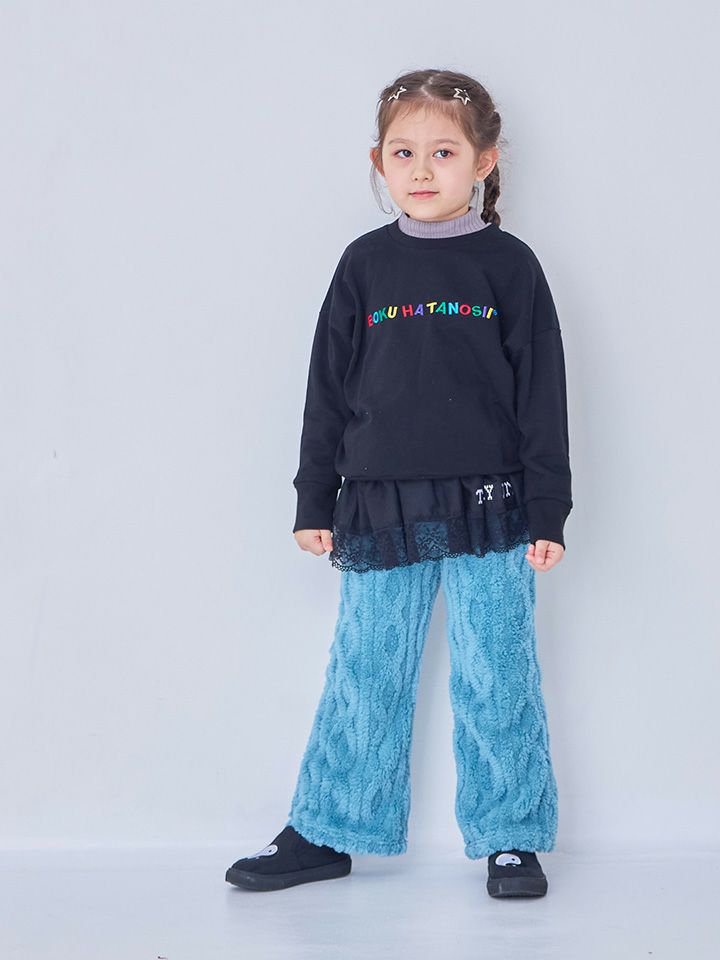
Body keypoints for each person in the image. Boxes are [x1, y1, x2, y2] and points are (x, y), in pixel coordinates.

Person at [225, 68, 572, 900]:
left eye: (443, 152)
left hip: (492, 508)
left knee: (498, 669)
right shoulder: (364, 265)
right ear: (379, 161)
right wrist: (314, 498)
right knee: (367, 666)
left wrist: (548, 509)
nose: (421, 169)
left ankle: (511, 836)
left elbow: (542, 395)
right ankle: (330, 828)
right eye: (403, 152)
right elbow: (327, 390)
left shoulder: (510, 267)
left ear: (483, 161)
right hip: (380, 508)